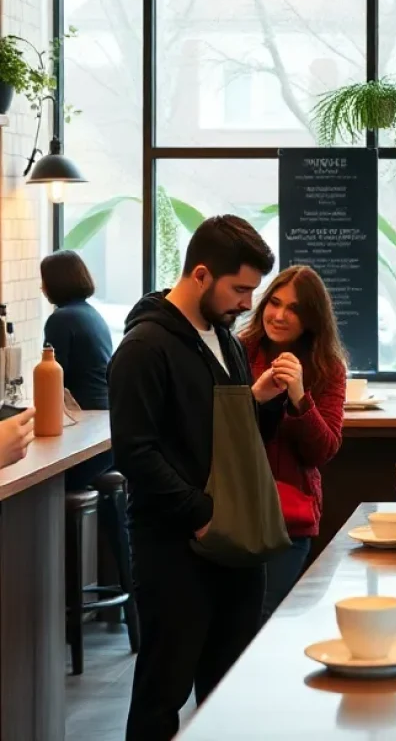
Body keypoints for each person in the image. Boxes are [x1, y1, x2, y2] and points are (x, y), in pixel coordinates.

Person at [109, 215, 282, 741]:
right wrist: (202, 515)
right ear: (201, 274)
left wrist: (266, 403)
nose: (249, 303)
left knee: (228, 687)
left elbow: (231, 435)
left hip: (229, 544)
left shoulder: (224, 339)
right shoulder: (144, 347)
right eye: (240, 289)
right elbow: (136, 454)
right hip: (174, 546)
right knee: (164, 693)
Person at [239, 265, 346, 620]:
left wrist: (301, 398)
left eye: (295, 309)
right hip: (231, 509)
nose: (280, 315)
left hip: (288, 517)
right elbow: (213, 429)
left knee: (265, 618)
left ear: (312, 318)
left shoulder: (328, 366)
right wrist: (254, 397)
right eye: (274, 302)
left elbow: (323, 450)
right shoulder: (240, 350)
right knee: (232, 623)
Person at [40, 250, 114, 489]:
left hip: (85, 421)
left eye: (44, 280)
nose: (42, 288)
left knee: (47, 483)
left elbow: (51, 381)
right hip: (106, 424)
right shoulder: (92, 314)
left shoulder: (60, 319)